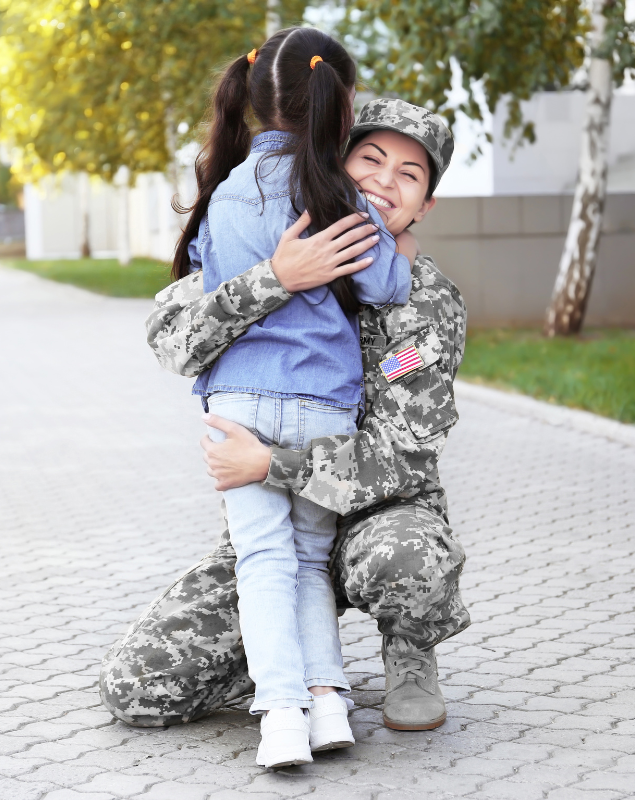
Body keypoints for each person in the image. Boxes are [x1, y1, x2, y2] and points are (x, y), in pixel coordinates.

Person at [99, 99, 470, 740]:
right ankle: (279, 651)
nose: (385, 181)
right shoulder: (262, 237)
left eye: (410, 175)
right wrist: (277, 278)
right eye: (370, 159)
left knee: (405, 559)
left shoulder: (425, 297)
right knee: (142, 685)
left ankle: (409, 646)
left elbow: (403, 455)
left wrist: (272, 463)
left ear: (425, 205)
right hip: (275, 525)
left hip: (376, 514)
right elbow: (173, 343)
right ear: (331, 163)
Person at [167, 28, 412, 769]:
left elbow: (205, 286)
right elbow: (386, 289)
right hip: (323, 407)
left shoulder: (224, 193)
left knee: (261, 560)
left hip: (236, 405)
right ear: (340, 106)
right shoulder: (338, 195)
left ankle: (280, 716)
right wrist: (397, 253)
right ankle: (330, 705)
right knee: (310, 558)